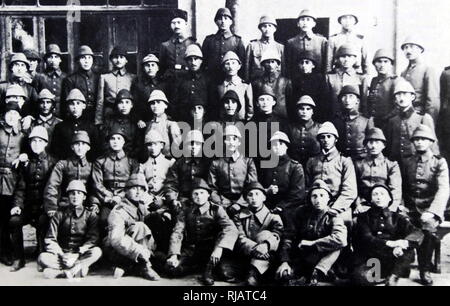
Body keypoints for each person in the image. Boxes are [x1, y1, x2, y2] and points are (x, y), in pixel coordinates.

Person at [165, 178, 238, 286]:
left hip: (211, 250)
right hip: (191, 250)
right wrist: (174, 254)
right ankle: (195, 267)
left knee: (225, 273)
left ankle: (207, 269)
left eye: (202, 193)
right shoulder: (185, 211)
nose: (199, 196)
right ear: (191, 196)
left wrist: (219, 248)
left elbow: (231, 229)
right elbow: (178, 231)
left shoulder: (217, 210)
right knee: (172, 270)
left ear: (208, 195)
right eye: (195, 194)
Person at [402, 125, 450, 285]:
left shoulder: (439, 162)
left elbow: (444, 189)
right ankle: (404, 263)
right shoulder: (408, 161)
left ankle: (424, 268)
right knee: (399, 221)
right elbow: (401, 187)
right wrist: (402, 205)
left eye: (423, 139)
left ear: (430, 141)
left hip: (429, 209)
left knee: (427, 225)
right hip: (409, 208)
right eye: (416, 139)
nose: (420, 142)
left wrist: (432, 211)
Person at [276, 179, 347, 286]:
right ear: (309, 198)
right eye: (314, 196)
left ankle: (318, 272)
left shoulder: (333, 216)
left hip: (324, 259)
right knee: (284, 276)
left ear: (328, 198)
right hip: (303, 256)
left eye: (322, 195)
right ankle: (303, 274)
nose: (318, 200)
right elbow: (288, 237)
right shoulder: (300, 213)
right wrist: (284, 261)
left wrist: (313, 243)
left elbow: (340, 239)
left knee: (337, 246)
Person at [353, 184, 424, 286]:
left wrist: (402, 243)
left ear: (389, 198)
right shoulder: (363, 217)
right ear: (371, 199)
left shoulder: (397, 217)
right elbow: (367, 238)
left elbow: (417, 232)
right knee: (361, 278)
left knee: (408, 248)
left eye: (382, 194)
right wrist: (390, 243)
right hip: (371, 258)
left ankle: (393, 278)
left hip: (393, 258)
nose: (378, 197)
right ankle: (381, 276)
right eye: (375, 194)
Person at [9, 126, 56, 271]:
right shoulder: (26, 163)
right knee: (14, 221)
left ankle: (42, 256)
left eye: (39, 141)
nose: (36, 144)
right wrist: (17, 205)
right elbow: (21, 187)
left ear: (45, 143)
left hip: (43, 206)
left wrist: (49, 207)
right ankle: (19, 258)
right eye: (33, 141)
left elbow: (53, 188)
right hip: (28, 206)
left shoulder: (53, 162)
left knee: (43, 221)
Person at [104, 173, 164, 281]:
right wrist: (139, 250)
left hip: (131, 250)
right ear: (126, 191)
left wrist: (162, 213)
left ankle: (128, 267)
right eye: (134, 188)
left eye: (141, 189)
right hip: (116, 250)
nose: (138, 192)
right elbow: (116, 239)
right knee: (140, 226)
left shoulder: (140, 207)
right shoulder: (119, 210)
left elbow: (149, 218)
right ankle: (144, 266)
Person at [38, 180, 102, 279]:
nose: (75, 196)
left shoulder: (90, 215)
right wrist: (62, 254)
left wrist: (77, 254)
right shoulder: (59, 214)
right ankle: (75, 271)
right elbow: (50, 239)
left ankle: (61, 273)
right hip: (62, 256)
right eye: (72, 193)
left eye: (79, 193)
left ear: (84, 197)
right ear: (68, 196)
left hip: (80, 256)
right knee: (43, 257)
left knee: (97, 252)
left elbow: (92, 240)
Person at [232, 182, 284, 286]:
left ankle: (254, 273)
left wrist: (266, 245)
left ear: (264, 197)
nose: (254, 198)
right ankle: (253, 272)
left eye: (257, 194)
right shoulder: (239, 216)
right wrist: (256, 248)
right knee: (226, 271)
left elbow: (277, 234)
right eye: (250, 195)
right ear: (246, 199)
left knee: (264, 234)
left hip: (266, 256)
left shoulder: (273, 217)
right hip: (246, 253)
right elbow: (240, 236)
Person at [305, 122, 357, 220]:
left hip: (336, 206)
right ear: (319, 140)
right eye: (322, 137)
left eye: (329, 136)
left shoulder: (344, 161)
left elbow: (350, 191)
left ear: (335, 139)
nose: (326, 140)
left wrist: (334, 209)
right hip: (315, 205)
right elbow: (307, 187)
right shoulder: (312, 161)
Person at [91, 126, 140, 228]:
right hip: (107, 200)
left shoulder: (132, 162)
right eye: (112, 139)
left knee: (130, 221)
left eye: (119, 138)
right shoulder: (100, 161)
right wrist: (108, 196)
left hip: (127, 199)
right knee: (104, 220)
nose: (115, 141)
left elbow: (134, 184)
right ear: (108, 142)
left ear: (124, 142)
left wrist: (121, 196)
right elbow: (97, 184)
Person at [385, 79, 438, 164]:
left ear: (412, 97)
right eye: (398, 95)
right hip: (397, 166)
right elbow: (389, 148)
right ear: (395, 99)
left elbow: (433, 146)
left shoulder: (423, 118)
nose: (401, 98)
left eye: (405, 94)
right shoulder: (392, 121)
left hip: (418, 165)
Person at [208, 125, 258, 216]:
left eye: (234, 139)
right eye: (227, 139)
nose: (231, 142)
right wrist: (222, 203)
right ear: (223, 141)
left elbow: (252, 186)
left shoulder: (248, 161)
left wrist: (239, 204)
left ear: (239, 142)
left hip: (244, 204)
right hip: (222, 205)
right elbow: (212, 189)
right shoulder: (216, 163)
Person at [0, 103, 27, 266]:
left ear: (19, 117)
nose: (11, 116)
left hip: (13, 179)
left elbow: (28, 152)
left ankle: (10, 252)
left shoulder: (23, 135)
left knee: (8, 217)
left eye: (14, 114)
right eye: (8, 113)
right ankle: (2, 251)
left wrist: (23, 156)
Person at [139, 130, 175, 253]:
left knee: (167, 219)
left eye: (156, 144)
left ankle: (165, 251)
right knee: (145, 218)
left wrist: (164, 200)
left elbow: (173, 185)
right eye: (149, 144)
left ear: (162, 145)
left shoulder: (170, 163)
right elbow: (141, 187)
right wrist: (149, 201)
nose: (153, 148)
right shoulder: (142, 166)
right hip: (148, 202)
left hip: (165, 201)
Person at [354, 128, 402, 213]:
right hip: (364, 205)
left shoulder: (391, 165)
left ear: (383, 145)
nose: (373, 146)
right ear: (365, 145)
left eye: (377, 142)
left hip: (385, 205)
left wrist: (391, 208)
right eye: (370, 142)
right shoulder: (358, 164)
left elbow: (395, 189)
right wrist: (358, 205)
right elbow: (354, 188)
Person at [258, 131, 305, 213]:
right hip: (265, 207)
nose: (277, 147)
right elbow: (257, 186)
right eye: (274, 144)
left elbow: (297, 195)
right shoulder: (265, 166)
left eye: (281, 144)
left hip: (287, 209)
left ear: (286, 146)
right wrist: (266, 191)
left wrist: (281, 207)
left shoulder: (295, 167)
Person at [164, 130, 210, 210]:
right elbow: (170, 184)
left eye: (197, 144)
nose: (194, 147)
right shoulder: (179, 163)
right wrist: (173, 200)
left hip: (203, 200)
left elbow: (212, 185)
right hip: (183, 200)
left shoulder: (207, 163)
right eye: (190, 144)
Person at [50, 89, 99, 161]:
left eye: (78, 103)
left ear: (84, 106)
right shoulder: (60, 127)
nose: (75, 107)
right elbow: (55, 151)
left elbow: (95, 151)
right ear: (67, 106)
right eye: (72, 104)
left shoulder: (91, 127)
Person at [400, 36, 439, 122]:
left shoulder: (428, 70)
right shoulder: (403, 73)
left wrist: (429, 123)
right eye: (406, 47)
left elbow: (433, 102)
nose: (408, 50)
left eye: (412, 46)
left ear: (420, 49)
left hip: (420, 117)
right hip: (404, 117)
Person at [202, 7, 246, 84]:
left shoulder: (237, 41)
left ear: (231, 21)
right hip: (212, 81)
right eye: (220, 19)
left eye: (226, 18)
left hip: (231, 81)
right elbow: (203, 63)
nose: (223, 21)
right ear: (216, 22)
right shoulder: (209, 40)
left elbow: (242, 64)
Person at [95, 46, 136, 126]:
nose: (118, 60)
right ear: (111, 60)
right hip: (109, 115)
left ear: (126, 60)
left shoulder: (132, 78)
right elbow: (100, 101)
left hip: (127, 115)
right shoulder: (104, 77)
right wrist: (98, 121)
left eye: (122, 57)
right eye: (115, 57)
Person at [331, 85, 374, 160]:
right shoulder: (335, 121)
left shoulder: (366, 120)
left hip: (361, 159)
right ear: (340, 100)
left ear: (357, 101)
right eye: (344, 96)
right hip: (340, 159)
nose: (347, 100)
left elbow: (372, 142)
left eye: (351, 96)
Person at [326, 44, 368, 118]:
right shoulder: (330, 77)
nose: (346, 59)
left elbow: (364, 103)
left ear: (355, 59)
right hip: (334, 118)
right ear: (337, 59)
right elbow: (326, 101)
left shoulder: (361, 78)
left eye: (350, 56)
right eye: (343, 56)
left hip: (355, 119)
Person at [172, 44, 211, 122]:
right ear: (186, 61)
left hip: (203, 121)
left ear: (201, 61)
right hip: (183, 120)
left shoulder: (207, 80)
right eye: (190, 59)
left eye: (196, 59)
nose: (193, 62)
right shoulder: (180, 79)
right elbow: (175, 102)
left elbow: (211, 103)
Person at [61, 45, 99, 121]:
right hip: (78, 118)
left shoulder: (98, 78)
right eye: (83, 58)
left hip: (95, 117)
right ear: (78, 61)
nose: (86, 61)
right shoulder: (70, 79)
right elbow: (67, 103)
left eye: (89, 58)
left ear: (92, 60)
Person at [285, 9, 328, 77]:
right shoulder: (291, 42)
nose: (305, 22)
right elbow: (288, 65)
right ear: (298, 24)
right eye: (302, 20)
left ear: (314, 24)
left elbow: (326, 64)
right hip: (296, 81)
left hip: (318, 80)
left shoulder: (322, 41)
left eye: (308, 20)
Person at [251, 50, 292, 120]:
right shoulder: (257, 83)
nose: (270, 65)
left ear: (278, 64)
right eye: (267, 62)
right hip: (262, 119)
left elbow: (289, 103)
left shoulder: (286, 82)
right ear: (263, 64)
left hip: (282, 120)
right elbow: (255, 103)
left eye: (273, 62)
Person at [100, 89, 140, 158]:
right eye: (121, 102)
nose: (124, 106)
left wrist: (126, 156)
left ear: (131, 105)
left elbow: (138, 146)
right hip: (110, 158)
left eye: (127, 102)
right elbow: (103, 143)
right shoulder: (109, 121)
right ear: (117, 105)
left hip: (129, 159)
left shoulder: (135, 123)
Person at [159, 9, 197, 82]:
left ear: (186, 24)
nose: (176, 26)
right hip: (170, 82)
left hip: (188, 81)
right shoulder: (165, 45)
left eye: (179, 22)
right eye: (173, 23)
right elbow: (162, 68)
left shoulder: (193, 44)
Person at [245, 15, 285, 82]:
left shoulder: (280, 48)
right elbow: (246, 69)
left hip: (275, 84)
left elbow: (283, 70)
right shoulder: (252, 46)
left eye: (270, 26)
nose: (267, 29)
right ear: (260, 28)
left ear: (275, 29)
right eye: (264, 26)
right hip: (256, 83)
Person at [291, 51, 328, 122]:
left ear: (313, 65)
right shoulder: (295, 80)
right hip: (299, 115)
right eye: (301, 63)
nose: (304, 65)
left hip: (316, 116)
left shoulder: (319, 79)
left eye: (307, 62)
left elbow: (323, 101)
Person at [130, 54, 168, 124]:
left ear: (158, 68)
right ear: (143, 68)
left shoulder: (164, 84)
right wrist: (138, 120)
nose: (150, 68)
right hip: (143, 121)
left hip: (161, 120)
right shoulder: (138, 84)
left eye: (153, 65)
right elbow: (134, 105)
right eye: (147, 65)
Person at [216, 51, 253, 121]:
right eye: (227, 64)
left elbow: (250, 106)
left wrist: (247, 119)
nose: (231, 67)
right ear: (223, 68)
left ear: (239, 66)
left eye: (233, 63)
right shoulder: (220, 86)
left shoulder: (245, 85)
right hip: (224, 121)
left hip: (240, 121)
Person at [144, 90, 182, 158]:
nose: (155, 105)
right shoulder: (148, 125)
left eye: (158, 102)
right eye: (153, 103)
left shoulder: (171, 125)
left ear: (166, 105)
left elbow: (176, 151)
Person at [366, 49, 398, 128]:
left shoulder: (395, 81)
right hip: (373, 124)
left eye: (386, 61)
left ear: (391, 64)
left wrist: (384, 119)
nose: (382, 65)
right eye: (379, 61)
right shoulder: (374, 80)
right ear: (374, 64)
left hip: (388, 124)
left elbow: (398, 107)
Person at [287, 95, 321, 167]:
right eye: (301, 109)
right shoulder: (289, 128)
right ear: (297, 111)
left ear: (312, 111)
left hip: (315, 167)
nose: (304, 112)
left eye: (308, 109)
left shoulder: (320, 128)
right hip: (293, 167)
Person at [33, 44, 67, 116]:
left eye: (56, 57)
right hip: (43, 115)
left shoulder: (66, 77)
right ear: (46, 60)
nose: (53, 60)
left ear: (60, 60)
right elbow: (35, 99)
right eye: (50, 57)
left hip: (62, 115)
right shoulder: (39, 77)